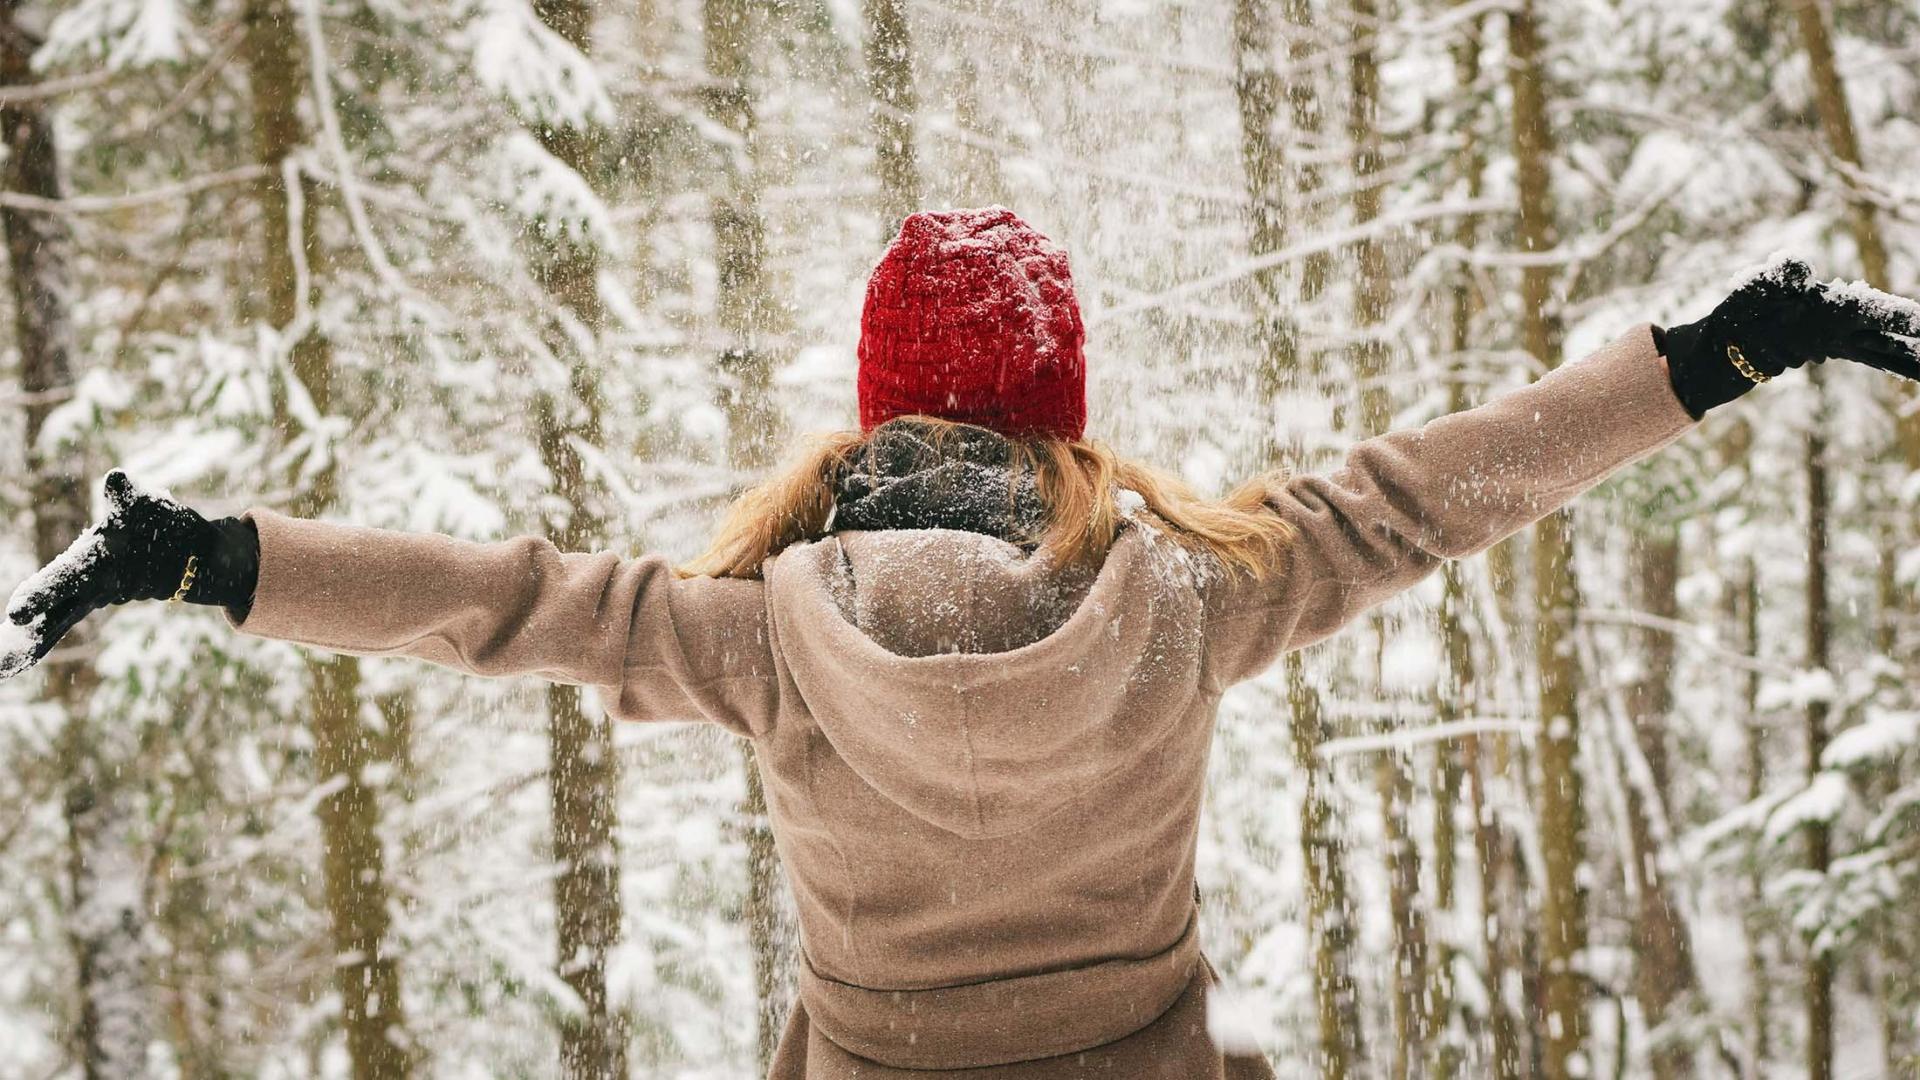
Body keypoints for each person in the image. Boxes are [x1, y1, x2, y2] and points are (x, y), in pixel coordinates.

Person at [3, 207, 1918, 1078]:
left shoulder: (761, 639)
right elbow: (1427, 496)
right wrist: (1717, 354)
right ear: (1058, 415)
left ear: (872, 415)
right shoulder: (1190, 596)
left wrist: (209, 554)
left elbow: (495, 604)